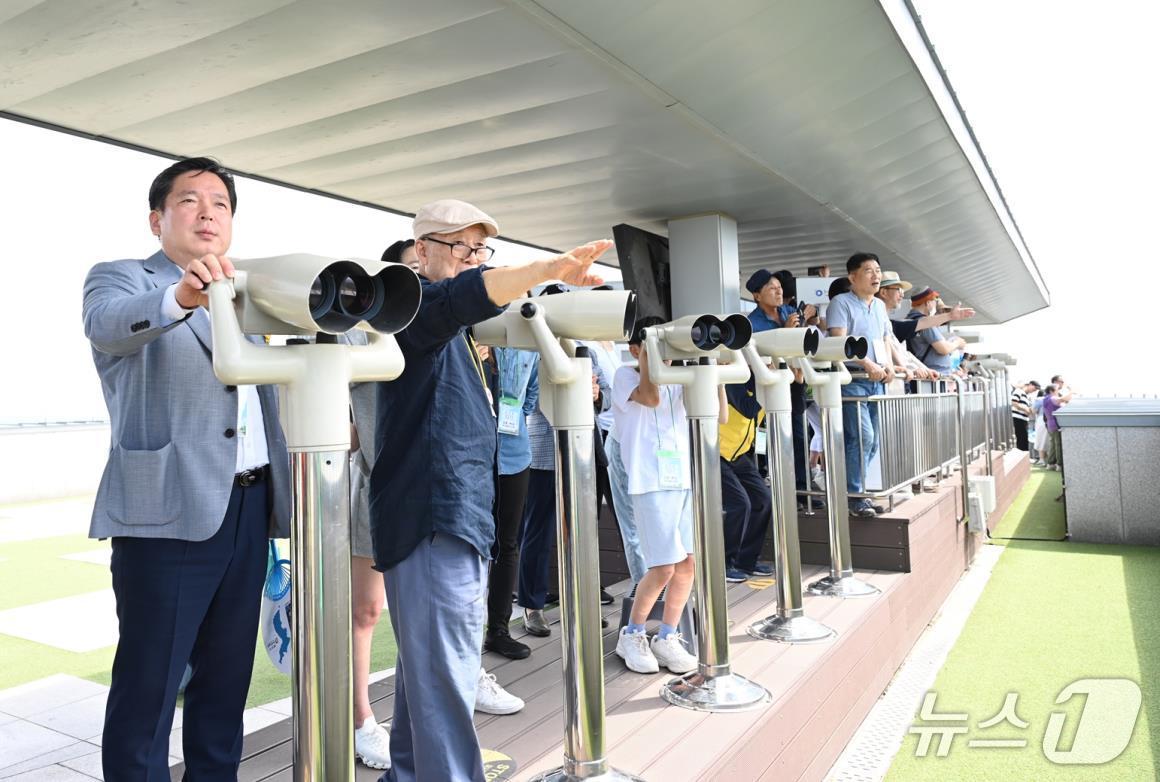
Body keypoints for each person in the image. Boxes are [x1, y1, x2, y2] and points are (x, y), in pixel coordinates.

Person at [368, 198, 610, 781]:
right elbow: (464, 296)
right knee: (446, 675)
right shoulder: (413, 307)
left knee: (426, 674)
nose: (474, 261)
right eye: (461, 248)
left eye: (481, 250)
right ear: (421, 251)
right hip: (432, 516)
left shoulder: (465, 334)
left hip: (459, 516)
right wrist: (549, 269)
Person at [82, 157, 291, 779]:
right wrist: (179, 296)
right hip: (166, 512)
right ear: (158, 218)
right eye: (191, 201)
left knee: (227, 687)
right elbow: (108, 327)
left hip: (250, 509)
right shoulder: (120, 279)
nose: (208, 213)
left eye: (221, 204)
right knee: (149, 686)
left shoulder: (252, 293)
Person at [612, 319, 709, 675]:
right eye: (651, 344)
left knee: (687, 564)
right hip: (648, 481)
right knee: (663, 566)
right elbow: (651, 397)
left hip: (681, 478)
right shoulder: (625, 375)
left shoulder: (681, 376)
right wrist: (653, 351)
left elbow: (721, 413)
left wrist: (708, 361)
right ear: (635, 348)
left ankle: (667, 637)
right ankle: (632, 633)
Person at [827, 252, 912, 517]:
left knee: (873, 442)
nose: (876, 275)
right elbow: (840, 341)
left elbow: (886, 338)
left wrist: (888, 365)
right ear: (852, 277)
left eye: (878, 270)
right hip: (853, 379)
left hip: (877, 382)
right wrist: (869, 365)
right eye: (869, 271)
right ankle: (853, 497)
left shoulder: (877, 305)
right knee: (862, 438)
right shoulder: (840, 303)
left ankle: (859, 494)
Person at [483, 344, 540, 660]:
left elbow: (530, 400)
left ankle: (498, 631)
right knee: (475, 545)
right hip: (475, 456)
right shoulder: (472, 337)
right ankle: (468, 631)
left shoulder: (527, 348)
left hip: (516, 456)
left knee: (508, 544)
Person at [746, 269, 818, 509]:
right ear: (757, 296)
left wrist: (805, 318)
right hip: (767, 388)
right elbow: (759, 357)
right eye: (771, 288)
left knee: (799, 435)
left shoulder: (789, 311)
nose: (778, 291)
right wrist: (787, 331)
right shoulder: (752, 323)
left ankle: (800, 489)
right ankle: (774, 486)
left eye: (779, 287)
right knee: (767, 439)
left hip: (794, 384)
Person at [905, 287, 968, 377]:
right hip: (933, 377)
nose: (936, 304)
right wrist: (958, 343)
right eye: (935, 301)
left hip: (926, 374)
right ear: (928, 303)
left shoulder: (910, 320)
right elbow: (943, 349)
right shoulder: (925, 323)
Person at [1010, 380, 1039, 452]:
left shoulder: (1026, 396)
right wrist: (1026, 409)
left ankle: (1023, 455)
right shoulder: (1019, 391)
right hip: (1018, 418)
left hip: (1023, 419)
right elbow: (1013, 402)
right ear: (1030, 385)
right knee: (1022, 439)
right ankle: (1022, 455)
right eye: (1034, 389)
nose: (1033, 391)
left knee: (1024, 439)